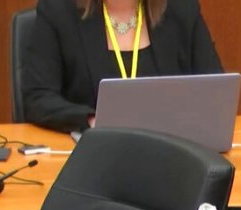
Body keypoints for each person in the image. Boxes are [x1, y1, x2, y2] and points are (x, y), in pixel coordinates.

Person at [23, 0, 223, 132]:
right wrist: (93, 120)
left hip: (171, 152)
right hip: (93, 155)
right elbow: (37, 98)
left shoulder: (181, 9)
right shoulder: (58, 11)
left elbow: (217, 91)